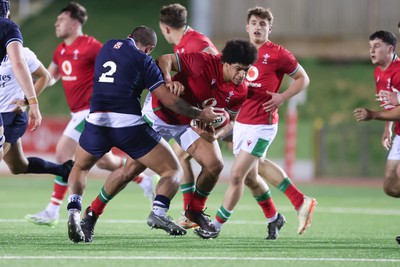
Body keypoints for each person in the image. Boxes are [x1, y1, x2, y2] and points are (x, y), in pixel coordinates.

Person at [75, 38, 258, 243]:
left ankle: (194, 212)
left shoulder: (241, 89)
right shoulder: (202, 62)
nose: (243, 75)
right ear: (225, 62)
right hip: (159, 114)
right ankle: (92, 213)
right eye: (238, 69)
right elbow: (164, 59)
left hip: (191, 120)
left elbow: (231, 121)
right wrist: (168, 81)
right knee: (130, 170)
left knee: (215, 165)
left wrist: (215, 134)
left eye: (247, 69)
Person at [25, 2, 157, 228]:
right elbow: (52, 77)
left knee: (63, 152)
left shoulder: (91, 46)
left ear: (75, 23)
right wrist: (28, 84)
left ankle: (53, 210)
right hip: (77, 113)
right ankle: (142, 178)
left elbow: (114, 63)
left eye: (61, 19)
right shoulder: (60, 50)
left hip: (91, 111)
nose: (56, 23)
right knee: (104, 162)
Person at [195, 6, 313, 240]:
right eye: (254, 23)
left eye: (263, 24)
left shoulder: (278, 54)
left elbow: (303, 78)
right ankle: (277, 215)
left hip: (263, 123)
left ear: (270, 28)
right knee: (251, 175)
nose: (258, 27)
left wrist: (282, 97)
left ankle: (215, 226)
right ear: (247, 27)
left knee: (237, 174)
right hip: (242, 122)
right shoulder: (240, 53)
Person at [159, 3, 219, 229]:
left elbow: (216, 66)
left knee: (241, 173)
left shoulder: (197, 42)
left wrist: (212, 108)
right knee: (180, 157)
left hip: (209, 113)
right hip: (199, 114)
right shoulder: (184, 44)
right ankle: (190, 213)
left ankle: (191, 212)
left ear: (164, 28)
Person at [353, 29, 400, 244]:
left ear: (390, 49)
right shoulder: (379, 72)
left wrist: (374, 115)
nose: (372, 50)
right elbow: (391, 104)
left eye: (377, 46)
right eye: (370, 46)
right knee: (390, 186)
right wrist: (387, 128)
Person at [0, 0, 42, 165]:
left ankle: (61, 170)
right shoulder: (7, 26)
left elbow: (43, 76)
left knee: (17, 165)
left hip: (10, 112)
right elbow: (18, 63)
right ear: (8, 13)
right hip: (10, 113)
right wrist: (32, 102)